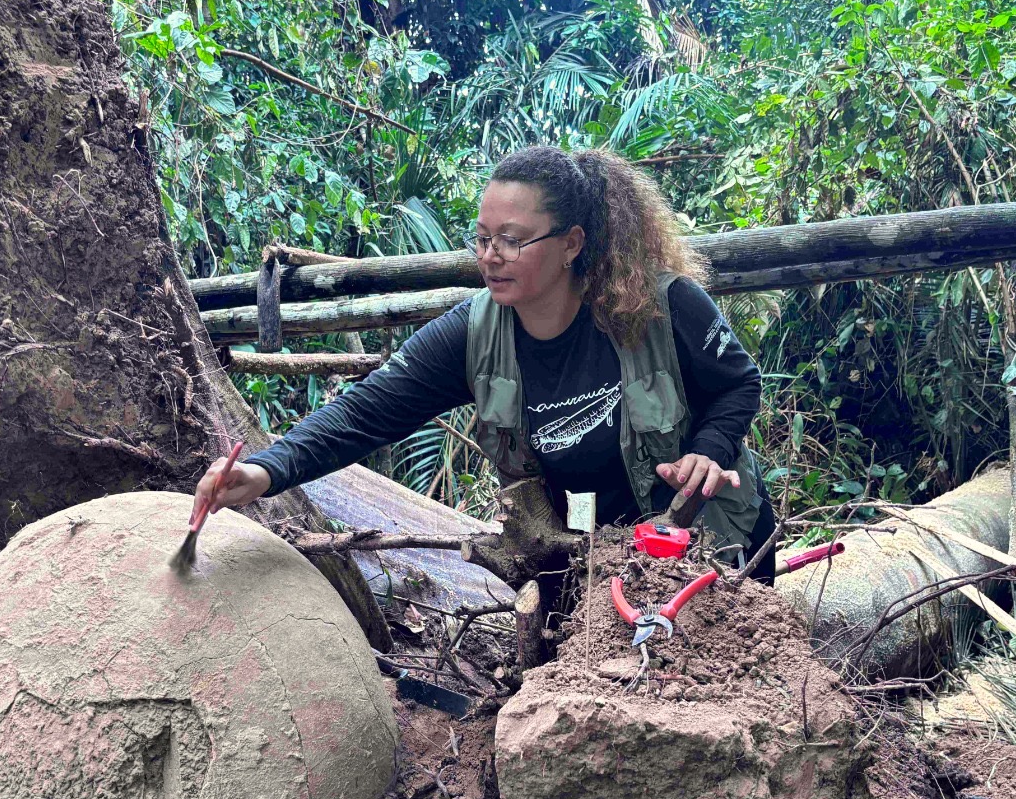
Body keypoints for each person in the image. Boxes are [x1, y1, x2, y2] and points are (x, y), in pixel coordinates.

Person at [194, 145, 777, 582]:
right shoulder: (474, 334)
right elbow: (366, 410)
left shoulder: (662, 306)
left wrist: (709, 450)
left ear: (572, 243)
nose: (491, 257)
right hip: (593, 564)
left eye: (512, 240)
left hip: (710, 550)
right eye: (482, 239)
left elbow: (738, 384)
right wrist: (266, 471)